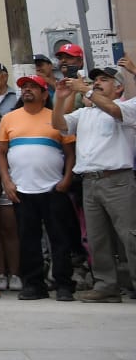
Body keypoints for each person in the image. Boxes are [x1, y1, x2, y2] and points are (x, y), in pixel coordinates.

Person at [52, 61, 136, 303]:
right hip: (90, 181)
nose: (97, 83)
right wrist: (59, 98)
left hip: (117, 180)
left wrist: (86, 91)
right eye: (95, 80)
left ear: (119, 88)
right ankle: (106, 285)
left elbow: (114, 112)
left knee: (130, 236)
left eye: (104, 80)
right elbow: (59, 125)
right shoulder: (85, 113)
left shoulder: (127, 106)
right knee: (97, 238)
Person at [0, 75, 75, 301]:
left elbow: (70, 153)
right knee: (27, 239)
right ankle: (33, 284)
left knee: (59, 239)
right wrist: (7, 181)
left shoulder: (57, 118)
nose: (28, 90)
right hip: (22, 190)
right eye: (24, 87)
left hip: (53, 189)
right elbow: (1, 153)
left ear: (44, 94)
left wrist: (67, 178)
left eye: (34, 87)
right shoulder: (9, 119)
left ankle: (63, 284)